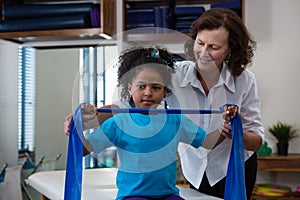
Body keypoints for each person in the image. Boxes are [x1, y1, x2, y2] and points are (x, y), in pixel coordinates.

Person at [65, 8, 264, 200]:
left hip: (236, 166)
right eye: (200, 43)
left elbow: (256, 141)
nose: (203, 52)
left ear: (230, 50)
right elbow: (125, 107)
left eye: (213, 47)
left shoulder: (245, 81)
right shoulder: (173, 76)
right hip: (197, 169)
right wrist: (85, 119)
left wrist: (232, 131)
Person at [77, 46, 237, 200]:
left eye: (155, 88)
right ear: (129, 88)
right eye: (141, 87)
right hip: (132, 196)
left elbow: (207, 142)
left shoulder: (175, 120)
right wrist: (78, 126)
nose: (148, 92)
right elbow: (84, 150)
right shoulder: (119, 122)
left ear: (165, 90)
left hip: (168, 195)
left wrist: (226, 126)